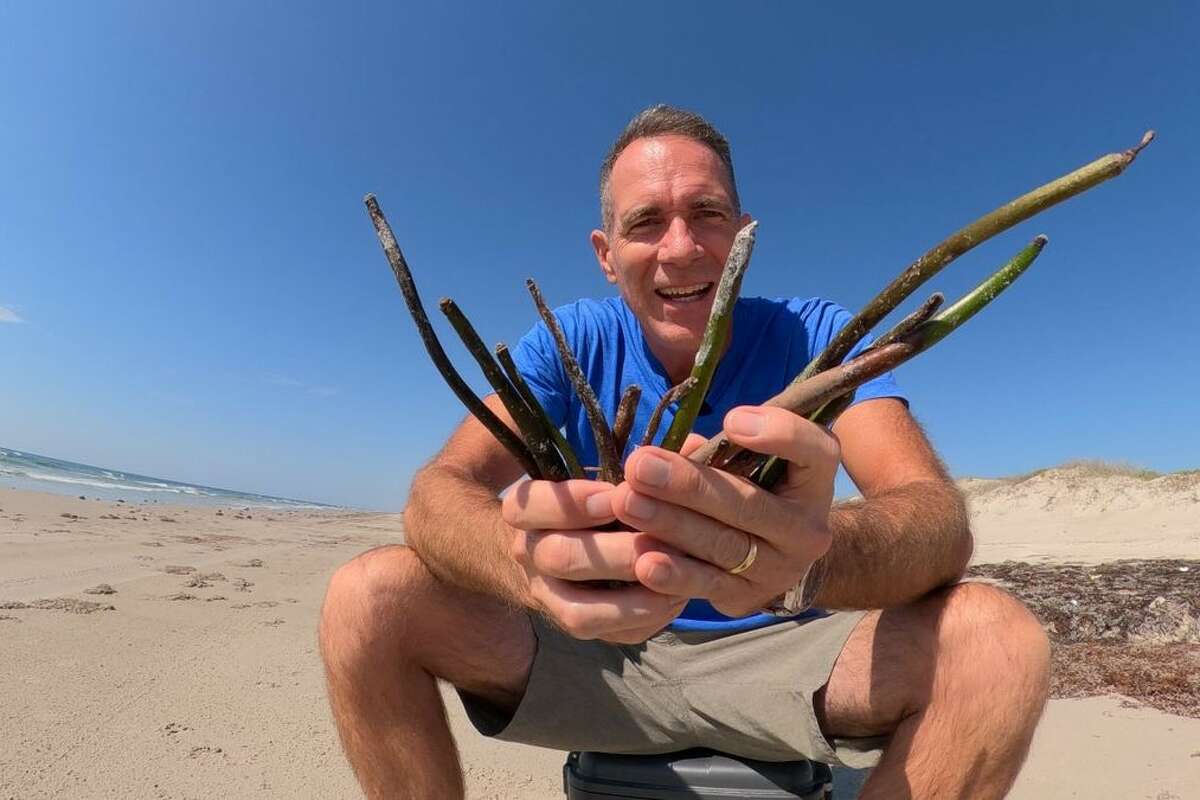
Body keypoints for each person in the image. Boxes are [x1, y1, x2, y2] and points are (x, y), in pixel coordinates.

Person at [319, 105, 1051, 799]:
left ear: (742, 231)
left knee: (996, 643)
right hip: (596, 653)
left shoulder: (822, 340)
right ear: (607, 255)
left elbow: (934, 520)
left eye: (708, 214)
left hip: (784, 658)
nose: (682, 247)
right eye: (646, 222)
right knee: (369, 596)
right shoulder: (572, 339)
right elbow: (440, 491)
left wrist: (807, 557)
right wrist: (527, 568)